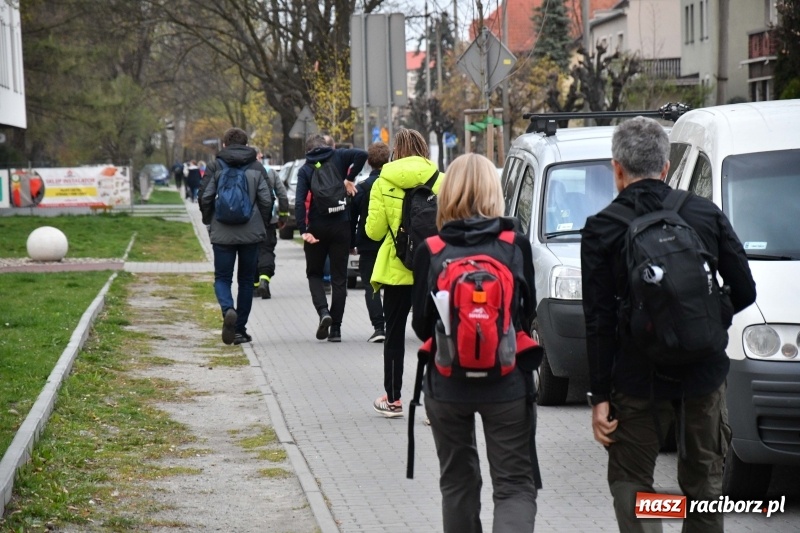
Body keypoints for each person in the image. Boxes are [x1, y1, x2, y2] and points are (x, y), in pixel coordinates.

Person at [580, 117, 756, 533]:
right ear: (666, 166)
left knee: (634, 482)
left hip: (637, 378)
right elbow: (745, 289)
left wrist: (600, 396)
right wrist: (708, 319)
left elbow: (599, 322)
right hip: (703, 372)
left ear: (617, 169)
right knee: (703, 487)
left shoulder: (601, 228)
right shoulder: (704, 213)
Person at [411, 153, 539, 533]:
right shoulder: (514, 244)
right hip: (507, 381)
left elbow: (421, 326)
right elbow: (526, 314)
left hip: (447, 383)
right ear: (493, 191)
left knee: (458, 485)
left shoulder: (431, 250)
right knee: (514, 485)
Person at [365, 128, 443, 417]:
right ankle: (436, 404)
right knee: (437, 335)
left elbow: (372, 232)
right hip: (434, 269)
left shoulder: (382, 182)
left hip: (396, 271)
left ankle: (394, 399)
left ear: (397, 150)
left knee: (394, 335)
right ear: (424, 149)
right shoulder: (441, 180)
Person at [200, 127, 274, 346]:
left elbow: (204, 196)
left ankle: (227, 309)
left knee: (222, 278)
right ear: (246, 144)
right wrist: (262, 221)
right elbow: (267, 200)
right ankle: (240, 330)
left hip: (222, 232)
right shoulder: (257, 167)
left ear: (224, 145)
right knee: (245, 281)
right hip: (250, 233)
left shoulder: (215, 166)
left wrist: (208, 220)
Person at [295, 133, 367, 342]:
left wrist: (303, 230)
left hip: (317, 227)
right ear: (326, 145)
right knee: (339, 279)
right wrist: (349, 178)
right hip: (341, 225)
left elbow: (300, 202)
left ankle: (323, 312)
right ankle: (336, 329)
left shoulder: (305, 169)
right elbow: (362, 154)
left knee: (315, 273)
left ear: (307, 151)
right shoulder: (339, 156)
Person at [350, 142, 388, 342]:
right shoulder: (394, 185)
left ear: (369, 163)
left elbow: (351, 218)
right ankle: (392, 324)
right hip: (391, 244)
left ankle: (379, 327)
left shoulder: (361, 188)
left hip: (367, 244)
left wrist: (351, 243)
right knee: (391, 286)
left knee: (370, 286)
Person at [252, 147, 289, 299]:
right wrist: (283, 217)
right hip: (268, 219)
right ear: (259, 156)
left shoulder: (242, 171)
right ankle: (264, 281)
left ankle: (254, 287)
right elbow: (282, 195)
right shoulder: (270, 172)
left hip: (248, 221)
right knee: (266, 250)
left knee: (251, 252)